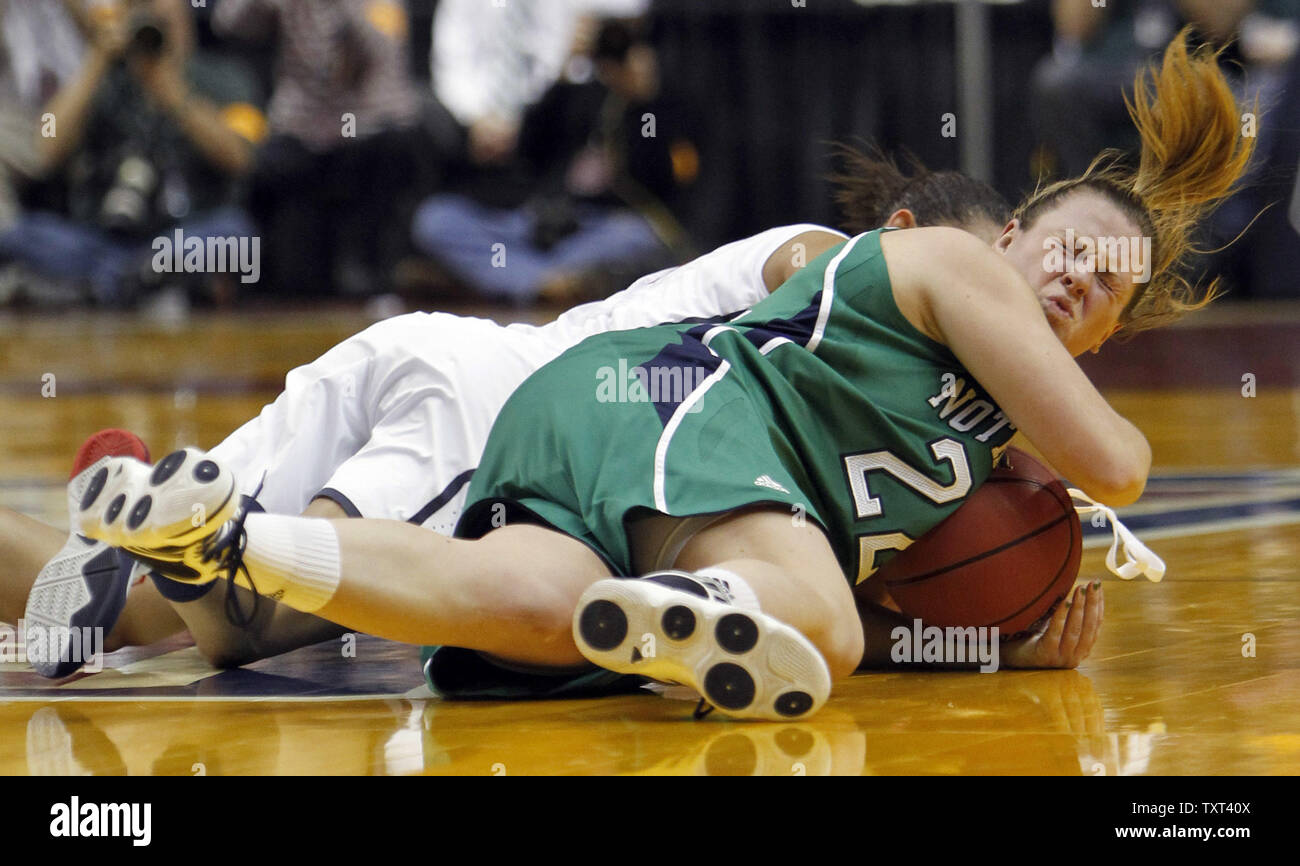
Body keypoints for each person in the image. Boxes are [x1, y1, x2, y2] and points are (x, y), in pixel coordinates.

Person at [68, 32, 1253, 723]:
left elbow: (890, 618)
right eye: (1071, 253)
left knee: (522, 603)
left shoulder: (967, 444)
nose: (1076, 287)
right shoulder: (951, 264)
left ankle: (233, 536)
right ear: (1010, 236)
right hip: (647, 408)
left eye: (1104, 294)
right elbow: (1123, 462)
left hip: (591, 446)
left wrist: (997, 643)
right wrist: (1059, 459)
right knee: (818, 615)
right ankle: (701, 609)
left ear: (1101, 341)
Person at [6, 148, 1010, 681]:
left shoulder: (870, 392)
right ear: (903, 238)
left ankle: (147, 513)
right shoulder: (834, 270)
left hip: (433, 351)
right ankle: (206, 543)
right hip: (493, 412)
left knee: (122, 611)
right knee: (236, 615)